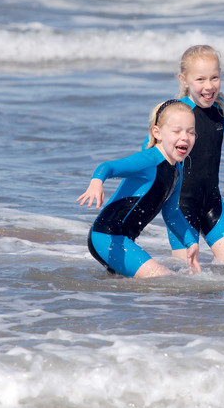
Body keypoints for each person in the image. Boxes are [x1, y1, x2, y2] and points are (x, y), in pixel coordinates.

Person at [77, 99, 201, 278]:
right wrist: (97, 182)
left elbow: (172, 213)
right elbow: (108, 167)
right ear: (157, 133)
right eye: (177, 131)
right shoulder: (149, 160)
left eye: (191, 132)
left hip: (124, 240)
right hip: (107, 236)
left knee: (134, 292)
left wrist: (191, 242)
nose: (185, 137)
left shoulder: (177, 170)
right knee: (166, 281)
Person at [162, 45, 224, 264]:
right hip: (179, 207)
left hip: (212, 202)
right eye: (200, 79)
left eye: (214, 78)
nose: (209, 86)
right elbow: (149, 152)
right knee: (186, 281)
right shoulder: (176, 113)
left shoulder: (221, 110)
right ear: (184, 80)